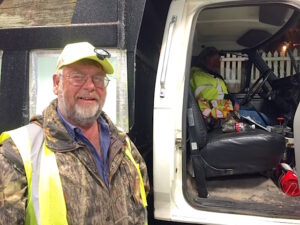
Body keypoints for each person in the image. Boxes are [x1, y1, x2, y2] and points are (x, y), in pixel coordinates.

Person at [0, 42, 150, 225]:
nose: (90, 86)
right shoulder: (17, 153)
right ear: (57, 83)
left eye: (98, 78)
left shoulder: (122, 143)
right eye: (78, 77)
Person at [190, 46, 269, 128]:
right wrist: (233, 103)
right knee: (261, 117)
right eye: (215, 60)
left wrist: (232, 101)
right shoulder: (198, 76)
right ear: (206, 59)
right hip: (219, 115)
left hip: (224, 108)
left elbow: (221, 93)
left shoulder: (209, 74)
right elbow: (210, 97)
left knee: (252, 110)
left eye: (218, 60)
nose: (218, 63)